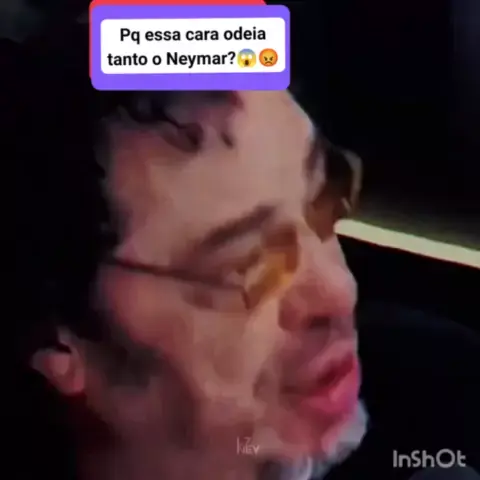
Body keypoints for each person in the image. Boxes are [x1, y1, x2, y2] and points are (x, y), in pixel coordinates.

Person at [9, 23, 368, 480]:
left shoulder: (440, 401)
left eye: (323, 202)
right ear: (63, 344)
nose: (340, 291)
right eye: (250, 265)